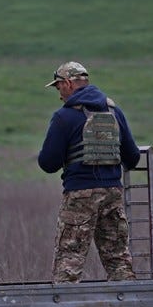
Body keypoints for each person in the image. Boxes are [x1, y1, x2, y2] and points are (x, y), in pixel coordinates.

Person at [37, 61, 140, 283]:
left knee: (69, 260)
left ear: (68, 84)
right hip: (113, 193)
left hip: (80, 196)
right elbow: (132, 157)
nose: (59, 94)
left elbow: (48, 163)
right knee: (118, 260)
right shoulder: (114, 112)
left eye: (58, 87)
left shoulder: (64, 117)